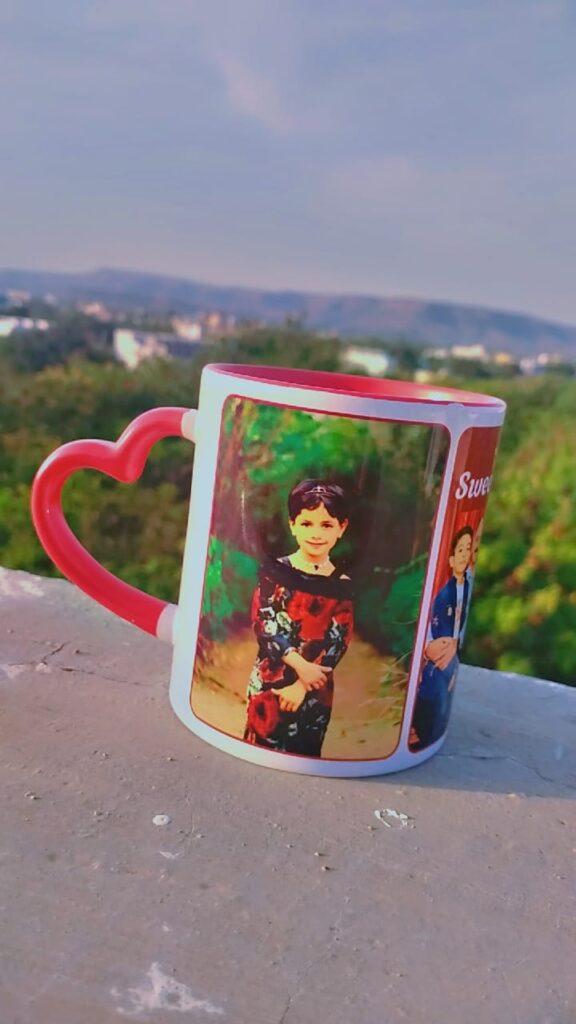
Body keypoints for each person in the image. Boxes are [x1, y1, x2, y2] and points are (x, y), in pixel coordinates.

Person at [244, 479, 354, 757]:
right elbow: (263, 622)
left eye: (326, 525)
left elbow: (338, 641)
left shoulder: (341, 585)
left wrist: (304, 683)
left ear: (341, 528)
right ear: (292, 525)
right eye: (306, 523)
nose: (316, 533)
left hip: (315, 687)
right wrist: (298, 664)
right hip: (271, 677)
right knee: (261, 746)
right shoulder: (275, 572)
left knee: (305, 750)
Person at [411, 525, 473, 749]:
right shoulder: (445, 594)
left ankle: (428, 731)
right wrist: (437, 647)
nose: (464, 554)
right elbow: (437, 631)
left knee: (442, 692)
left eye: (468, 549)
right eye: (460, 550)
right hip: (440, 652)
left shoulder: (466, 585)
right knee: (431, 690)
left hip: (452, 651)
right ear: (450, 560)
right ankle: (421, 731)